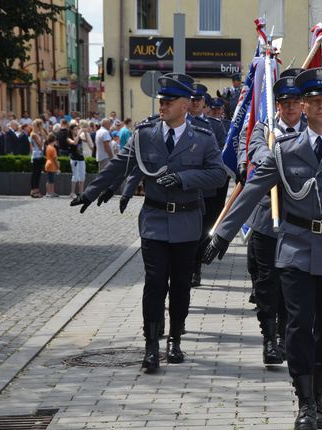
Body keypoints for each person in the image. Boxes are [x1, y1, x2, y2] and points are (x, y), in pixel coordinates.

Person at [203, 67, 322, 430]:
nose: (321, 106)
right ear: (303, 106)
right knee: (297, 326)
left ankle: (320, 393)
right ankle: (305, 401)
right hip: (295, 248)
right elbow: (251, 191)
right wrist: (222, 235)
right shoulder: (285, 150)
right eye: (314, 100)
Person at [71, 74, 227, 373]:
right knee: (155, 283)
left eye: (169, 102)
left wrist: (184, 178)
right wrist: (91, 192)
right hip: (154, 220)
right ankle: (151, 345)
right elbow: (120, 164)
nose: (162, 106)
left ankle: (175, 340)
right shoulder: (145, 134)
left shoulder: (203, 138)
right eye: (161, 102)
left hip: (186, 220)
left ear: (185, 105)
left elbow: (218, 175)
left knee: (181, 285)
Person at [238, 68, 307, 366]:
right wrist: (278, 162)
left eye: (295, 101)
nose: (290, 107)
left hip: (300, 220)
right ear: (276, 104)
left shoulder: (310, 130)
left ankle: (284, 335)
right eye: (284, 102)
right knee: (267, 282)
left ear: (302, 103)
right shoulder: (263, 130)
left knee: (294, 282)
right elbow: (259, 154)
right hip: (267, 216)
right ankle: (269, 339)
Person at [188, 82, 228, 287]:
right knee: (189, 230)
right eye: (192, 100)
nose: (195, 104)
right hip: (187, 188)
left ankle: (196, 264)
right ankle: (191, 268)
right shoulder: (179, 122)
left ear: (204, 103)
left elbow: (222, 152)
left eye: (198, 100)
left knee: (205, 227)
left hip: (209, 188)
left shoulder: (215, 126)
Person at [29, 119, 47, 198]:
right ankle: (35, 191)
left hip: (38, 155)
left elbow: (47, 138)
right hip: (37, 155)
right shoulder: (34, 134)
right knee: (36, 174)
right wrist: (42, 137)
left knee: (37, 174)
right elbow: (40, 146)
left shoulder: (36, 134)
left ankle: (34, 190)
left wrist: (43, 134)